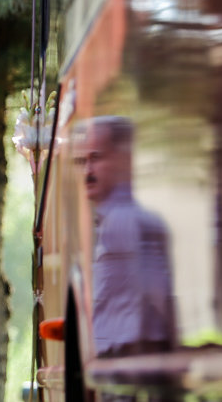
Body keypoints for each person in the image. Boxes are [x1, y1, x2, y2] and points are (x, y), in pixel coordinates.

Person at [73, 116, 175, 360]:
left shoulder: (123, 220)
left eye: (96, 158)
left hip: (130, 362)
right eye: (81, 161)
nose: (87, 171)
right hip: (121, 360)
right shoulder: (111, 220)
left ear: (122, 159)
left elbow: (160, 293)